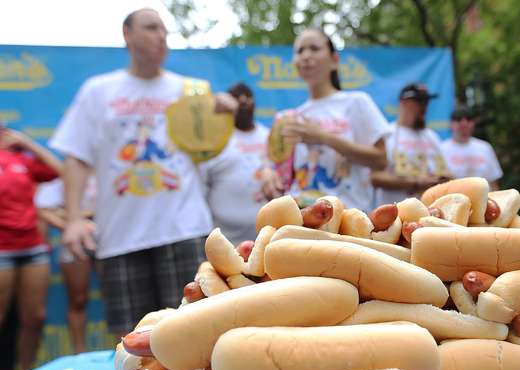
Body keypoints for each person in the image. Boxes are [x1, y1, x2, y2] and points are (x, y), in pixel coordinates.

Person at [49, 9, 234, 339]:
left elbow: (211, 149)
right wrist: (74, 218)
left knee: (194, 332)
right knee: (131, 342)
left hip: (184, 229)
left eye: (164, 30)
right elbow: (76, 158)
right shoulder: (99, 91)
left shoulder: (192, 91)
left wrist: (224, 113)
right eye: (150, 28)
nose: (160, 36)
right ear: (127, 34)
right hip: (120, 238)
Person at [267, 28, 389, 211]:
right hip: (302, 218)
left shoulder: (356, 102)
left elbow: (380, 160)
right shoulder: (292, 117)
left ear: (334, 60)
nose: (306, 56)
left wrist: (324, 137)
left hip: (347, 221)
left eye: (314, 48)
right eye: (300, 51)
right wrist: (268, 173)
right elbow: (278, 165)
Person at [0, 126, 61, 370]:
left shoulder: (21, 159)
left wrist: (28, 143)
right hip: (2, 248)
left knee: (34, 317)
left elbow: (61, 171)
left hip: (32, 246)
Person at [202, 82, 274, 244]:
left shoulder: (269, 137)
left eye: (248, 97)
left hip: (265, 238)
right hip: (224, 239)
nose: (243, 101)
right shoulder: (215, 140)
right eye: (237, 98)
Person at [35, 178, 97, 355]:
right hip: (74, 239)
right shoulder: (62, 174)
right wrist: (71, 224)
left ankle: (126, 351)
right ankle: (80, 354)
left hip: (108, 236)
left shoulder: (110, 165)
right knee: (77, 299)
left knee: (120, 297)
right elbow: (42, 210)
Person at [371, 83, 450, 206]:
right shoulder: (387, 135)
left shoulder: (432, 136)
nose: (424, 107)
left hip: (430, 213)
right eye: (420, 102)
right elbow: (375, 177)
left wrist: (442, 178)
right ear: (404, 102)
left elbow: (447, 172)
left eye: (426, 102)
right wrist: (416, 182)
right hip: (394, 216)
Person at [440, 106, 502, 190]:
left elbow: (494, 182)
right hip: (454, 200)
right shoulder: (440, 149)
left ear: (473, 123)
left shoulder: (485, 147)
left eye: (468, 119)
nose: (464, 123)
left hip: (484, 201)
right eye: (458, 119)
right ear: (451, 124)